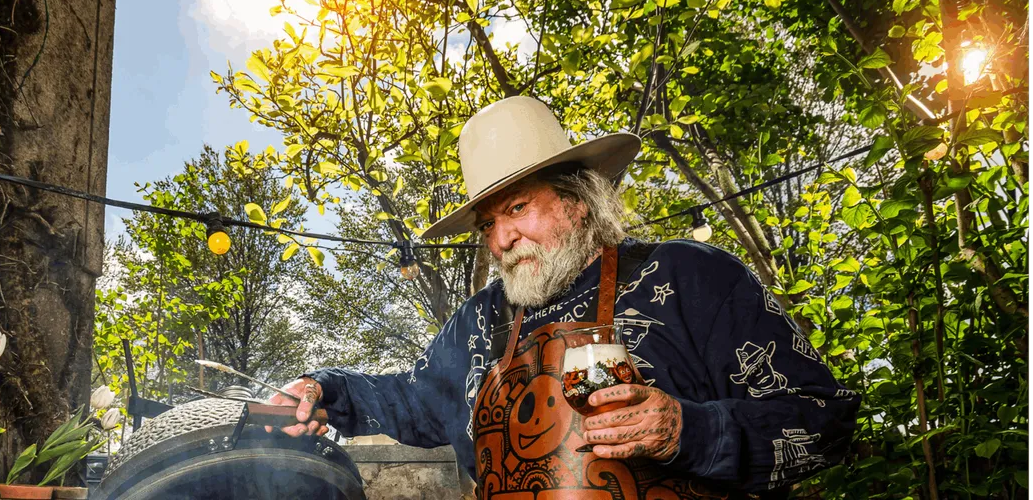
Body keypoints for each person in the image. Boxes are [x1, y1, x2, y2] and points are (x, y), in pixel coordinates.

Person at [268, 96, 858, 498]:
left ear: (577, 200)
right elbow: (404, 397)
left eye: (518, 207)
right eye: (487, 223)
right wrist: (324, 389)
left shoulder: (691, 276)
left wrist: (687, 431)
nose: (501, 238)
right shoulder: (478, 324)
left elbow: (827, 423)